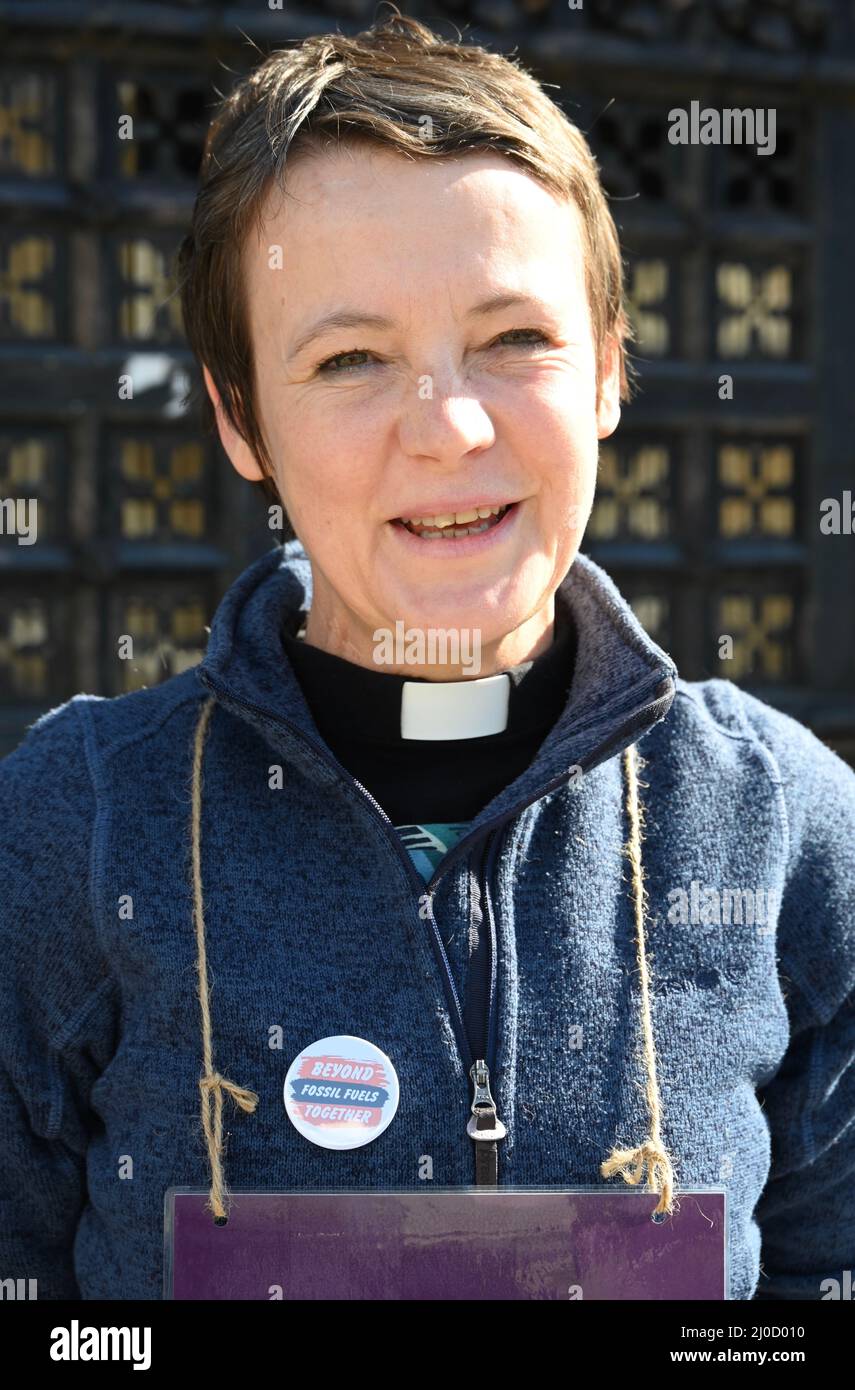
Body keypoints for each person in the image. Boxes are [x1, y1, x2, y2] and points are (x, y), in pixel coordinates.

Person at [1, 10, 853, 1303]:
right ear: (239, 418)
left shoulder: (784, 830)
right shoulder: (74, 829)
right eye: (350, 358)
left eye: (516, 339)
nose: (449, 427)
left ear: (611, 370)